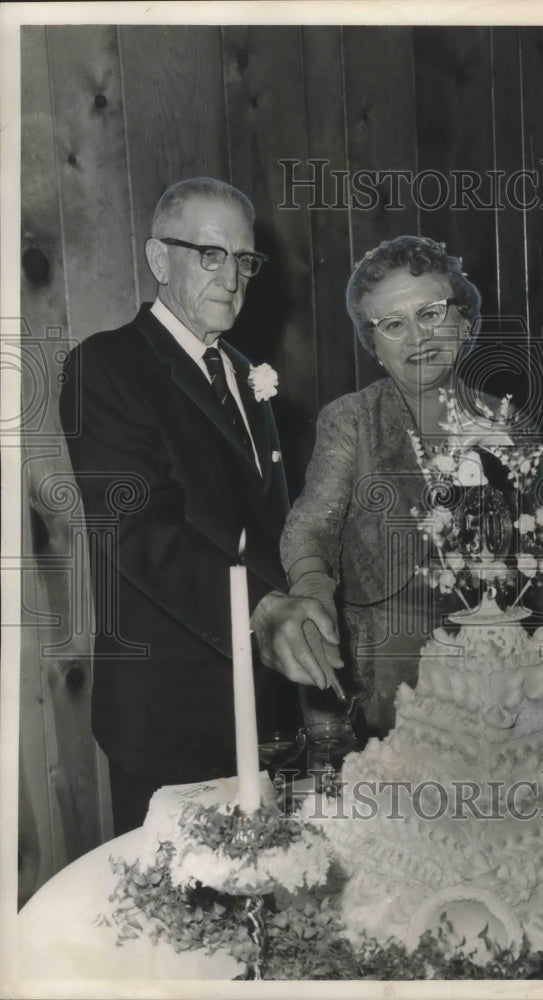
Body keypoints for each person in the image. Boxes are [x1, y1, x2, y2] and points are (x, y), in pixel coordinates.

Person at [60, 177, 339, 834]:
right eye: (210, 255)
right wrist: (264, 613)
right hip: (167, 720)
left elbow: (270, 525)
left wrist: (310, 588)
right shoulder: (107, 366)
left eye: (244, 260)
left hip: (263, 713)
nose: (233, 278)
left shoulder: (247, 374)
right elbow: (140, 531)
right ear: (160, 260)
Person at [281, 236, 543, 740]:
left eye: (431, 312)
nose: (417, 336)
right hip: (386, 690)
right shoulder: (351, 421)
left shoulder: (509, 422)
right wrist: (310, 591)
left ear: (464, 319)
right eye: (392, 324)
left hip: (498, 692)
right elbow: (309, 529)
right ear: (374, 344)